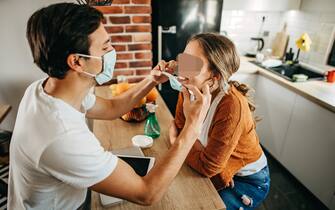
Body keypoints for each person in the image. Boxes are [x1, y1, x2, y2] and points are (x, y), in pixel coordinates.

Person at [8, 3, 211, 209]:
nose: (112, 51)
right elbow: (146, 193)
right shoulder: (62, 136)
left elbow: (113, 108)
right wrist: (192, 128)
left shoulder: (45, 89)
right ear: (77, 62)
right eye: (105, 47)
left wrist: (151, 80)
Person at [173, 33, 270, 210]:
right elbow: (180, 126)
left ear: (215, 76)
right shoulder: (188, 88)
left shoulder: (231, 106)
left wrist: (178, 142)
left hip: (248, 179)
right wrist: (188, 144)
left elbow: (208, 167)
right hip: (216, 165)